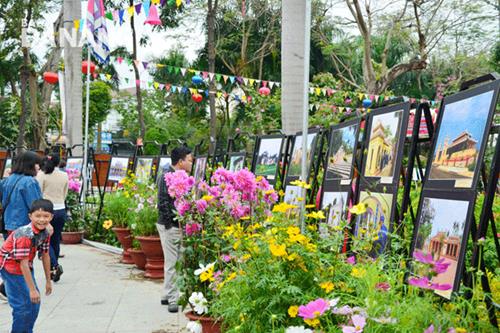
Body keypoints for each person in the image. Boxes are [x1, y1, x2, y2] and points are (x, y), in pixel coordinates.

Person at [0, 199, 54, 333]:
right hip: (10, 267)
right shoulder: (24, 234)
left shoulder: (46, 231)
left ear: (51, 217)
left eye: (46, 216)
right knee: (22, 307)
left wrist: (48, 280)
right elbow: (22, 264)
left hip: (25, 264)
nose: (42, 220)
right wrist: (32, 289)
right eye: (38, 216)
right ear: (30, 216)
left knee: (34, 304)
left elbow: (45, 255)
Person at [0, 151, 44, 299]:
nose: (38, 167)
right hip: (24, 227)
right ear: (30, 164)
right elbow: (37, 207)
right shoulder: (29, 182)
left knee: (14, 259)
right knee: (25, 261)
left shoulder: (8, 180)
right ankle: (25, 291)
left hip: (9, 225)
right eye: (37, 163)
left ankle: (9, 288)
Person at [157, 146, 193, 313]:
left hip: (171, 224)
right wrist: (172, 224)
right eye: (189, 160)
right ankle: (173, 298)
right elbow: (163, 204)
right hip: (169, 225)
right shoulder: (167, 176)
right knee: (173, 262)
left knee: (171, 261)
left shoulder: (177, 175)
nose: (191, 163)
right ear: (180, 162)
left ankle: (166, 295)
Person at [37, 153, 68, 282]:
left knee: (44, 240)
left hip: (46, 210)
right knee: (55, 239)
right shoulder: (64, 175)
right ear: (58, 162)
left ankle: (54, 266)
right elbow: (65, 193)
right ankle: (52, 270)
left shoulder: (42, 175)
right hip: (61, 209)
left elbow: (38, 192)